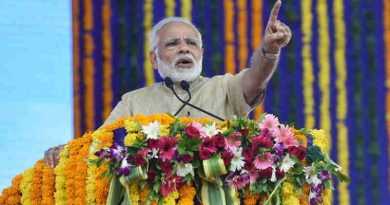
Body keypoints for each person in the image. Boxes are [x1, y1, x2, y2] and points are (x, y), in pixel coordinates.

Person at [44, 0, 291, 167]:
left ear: (201, 53)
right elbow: (100, 143)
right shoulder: (134, 102)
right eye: (173, 44)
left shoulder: (224, 87)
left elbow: (257, 78)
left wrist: (268, 50)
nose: (184, 48)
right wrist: (68, 151)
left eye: (191, 43)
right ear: (154, 58)